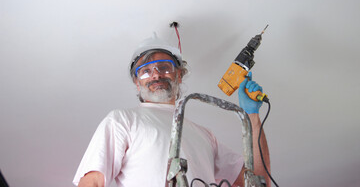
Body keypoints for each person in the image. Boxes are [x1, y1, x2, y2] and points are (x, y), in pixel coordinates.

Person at [73, 33, 271, 187]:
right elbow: (92, 182)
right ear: (136, 83)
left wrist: (252, 116)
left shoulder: (205, 136)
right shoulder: (123, 120)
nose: (156, 75)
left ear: (179, 76)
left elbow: (258, 181)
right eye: (145, 71)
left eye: (164, 67)